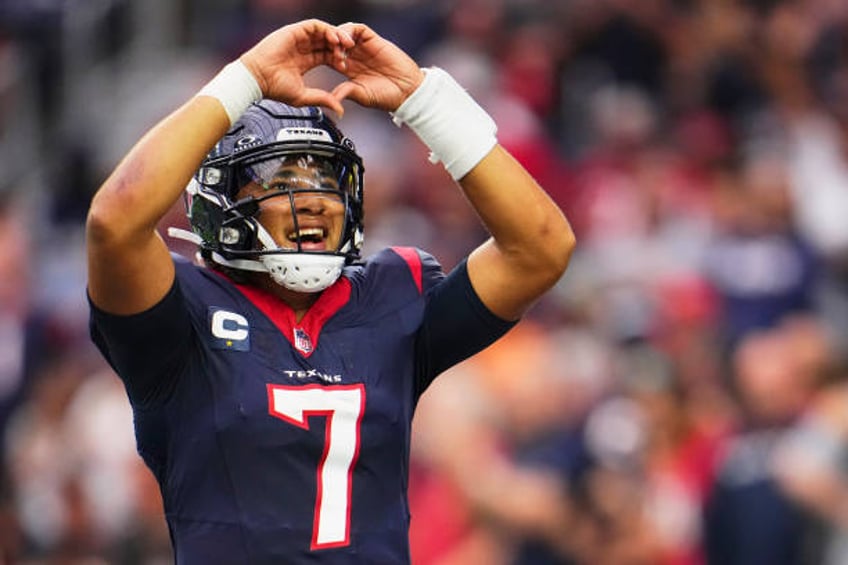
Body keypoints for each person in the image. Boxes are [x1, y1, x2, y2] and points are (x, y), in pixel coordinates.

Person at [85, 18, 575, 564]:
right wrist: (243, 78)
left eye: (327, 181)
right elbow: (114, 222)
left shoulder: (391, 296)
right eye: (283, 182)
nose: (316, 199)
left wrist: (423, 99)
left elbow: (541, 248)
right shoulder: (186, 311)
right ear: (219, 203)